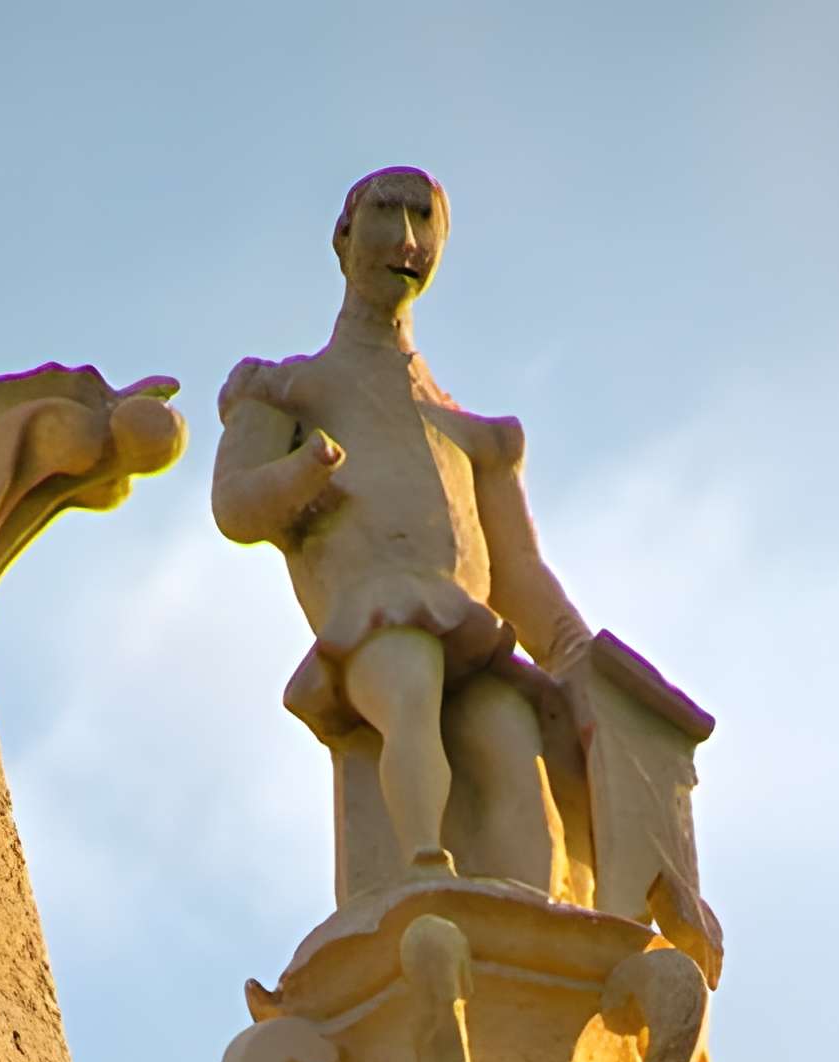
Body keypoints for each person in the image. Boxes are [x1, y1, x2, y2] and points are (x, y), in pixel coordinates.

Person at [212, 166, 590, 887]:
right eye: (390, 214)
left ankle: (534, 927)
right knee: (409, 687)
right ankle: (423, 869)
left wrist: (578, 657)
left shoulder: (476, 436)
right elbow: (235, 506)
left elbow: (519, 573)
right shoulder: (290, 388)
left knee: (514, 746)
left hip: (471, 632)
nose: (410, 240)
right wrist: (302, 476)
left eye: (426, 222)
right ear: (345, 236)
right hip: (374, 615)